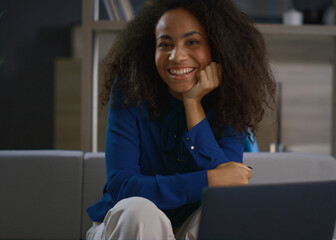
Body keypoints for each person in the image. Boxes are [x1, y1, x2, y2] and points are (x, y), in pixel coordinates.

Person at [86, 0, 276, 239]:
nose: (176, 56)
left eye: (192, 42)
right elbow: (123, 187)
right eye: (165, 44)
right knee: (139, 211)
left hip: (190, 225)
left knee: (225, 213)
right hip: (129, 226)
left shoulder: (230, 99)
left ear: (217, 47)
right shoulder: (130, 89)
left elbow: (227, 187)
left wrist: (192, 103)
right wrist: (208, 180)